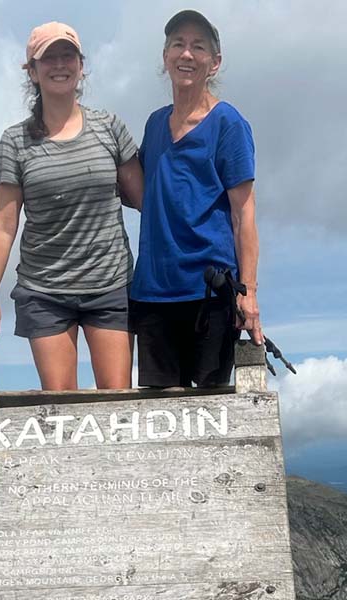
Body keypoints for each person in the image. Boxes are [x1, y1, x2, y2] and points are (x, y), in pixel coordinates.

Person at [0, 22, 144, 391]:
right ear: (32, 72)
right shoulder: (15, 141)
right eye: (48, 58)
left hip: (110, 283)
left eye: (67, 55)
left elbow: (145, 199)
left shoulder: (110, 127)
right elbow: (3, 224)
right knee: (60, 411)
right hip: (44, 290)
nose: (59, 65)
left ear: (81, 65)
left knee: (116, 405)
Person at [130, 9, 262, 388]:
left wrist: (248, 293)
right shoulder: (155, 124)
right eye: (178, 44)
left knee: (211, 413)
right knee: (160, 418)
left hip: (211, 291)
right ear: (165, 56)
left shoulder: (228, 123)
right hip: (154, 290)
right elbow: (141, 190)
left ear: (214, 63)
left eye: (198, 47)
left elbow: (244, 213)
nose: (186, 54)